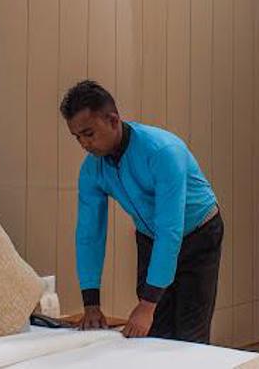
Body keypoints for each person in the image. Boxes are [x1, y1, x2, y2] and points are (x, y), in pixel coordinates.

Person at [59, 80, 223, 343]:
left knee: (189, 334)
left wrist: (147, 306)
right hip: (150, 235)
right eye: (77, 137)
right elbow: (89, 235)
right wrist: (91, 303)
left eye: (89, 134)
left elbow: (170, 229)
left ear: (113, 120)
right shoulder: (92, 169)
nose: (84, 144)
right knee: (156, 332)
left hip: (198, 233)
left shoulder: (163, 152)